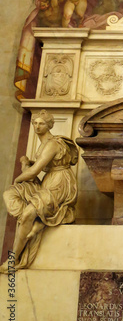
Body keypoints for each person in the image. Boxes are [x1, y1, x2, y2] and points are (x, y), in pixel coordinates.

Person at [0, 110, 78, 272]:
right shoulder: (43, 143)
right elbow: (41, 165)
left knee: (28, 209)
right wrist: (28, 162)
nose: (37, 126)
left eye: (41, 123)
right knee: (10, 193)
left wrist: (19, 178)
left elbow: (35, 171)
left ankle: (14, 258)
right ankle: (37, 222)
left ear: (49, 125)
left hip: (60, 183)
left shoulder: (52, 143)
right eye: (35, 123)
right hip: (48, 181)